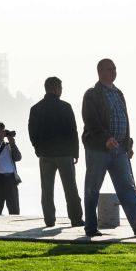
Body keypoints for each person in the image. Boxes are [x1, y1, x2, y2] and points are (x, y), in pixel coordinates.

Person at [82, 59, 136, 237]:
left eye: (115, 69)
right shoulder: (92, 94)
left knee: (127, 186)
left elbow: (124, 119)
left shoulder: (119, 93)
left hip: (119, 150)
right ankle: (91, 227)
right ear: (100, 71)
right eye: (110, 69)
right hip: (99, 149)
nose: (114, 72)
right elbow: (91, 120)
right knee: (93, 188)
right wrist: (105, 139)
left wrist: (128, 144)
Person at [28, 76, 84, 228]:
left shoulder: (36, 108)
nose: (61, 90)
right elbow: (73, 131)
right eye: (61, 87)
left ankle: (49, 219)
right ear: (55, 88)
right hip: (65, 153)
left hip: (45, 154)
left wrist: (37, 148)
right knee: (70, 188)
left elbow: (32, 131)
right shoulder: (65, 107)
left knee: (47, 189)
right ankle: (76, 218)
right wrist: (75, 152)